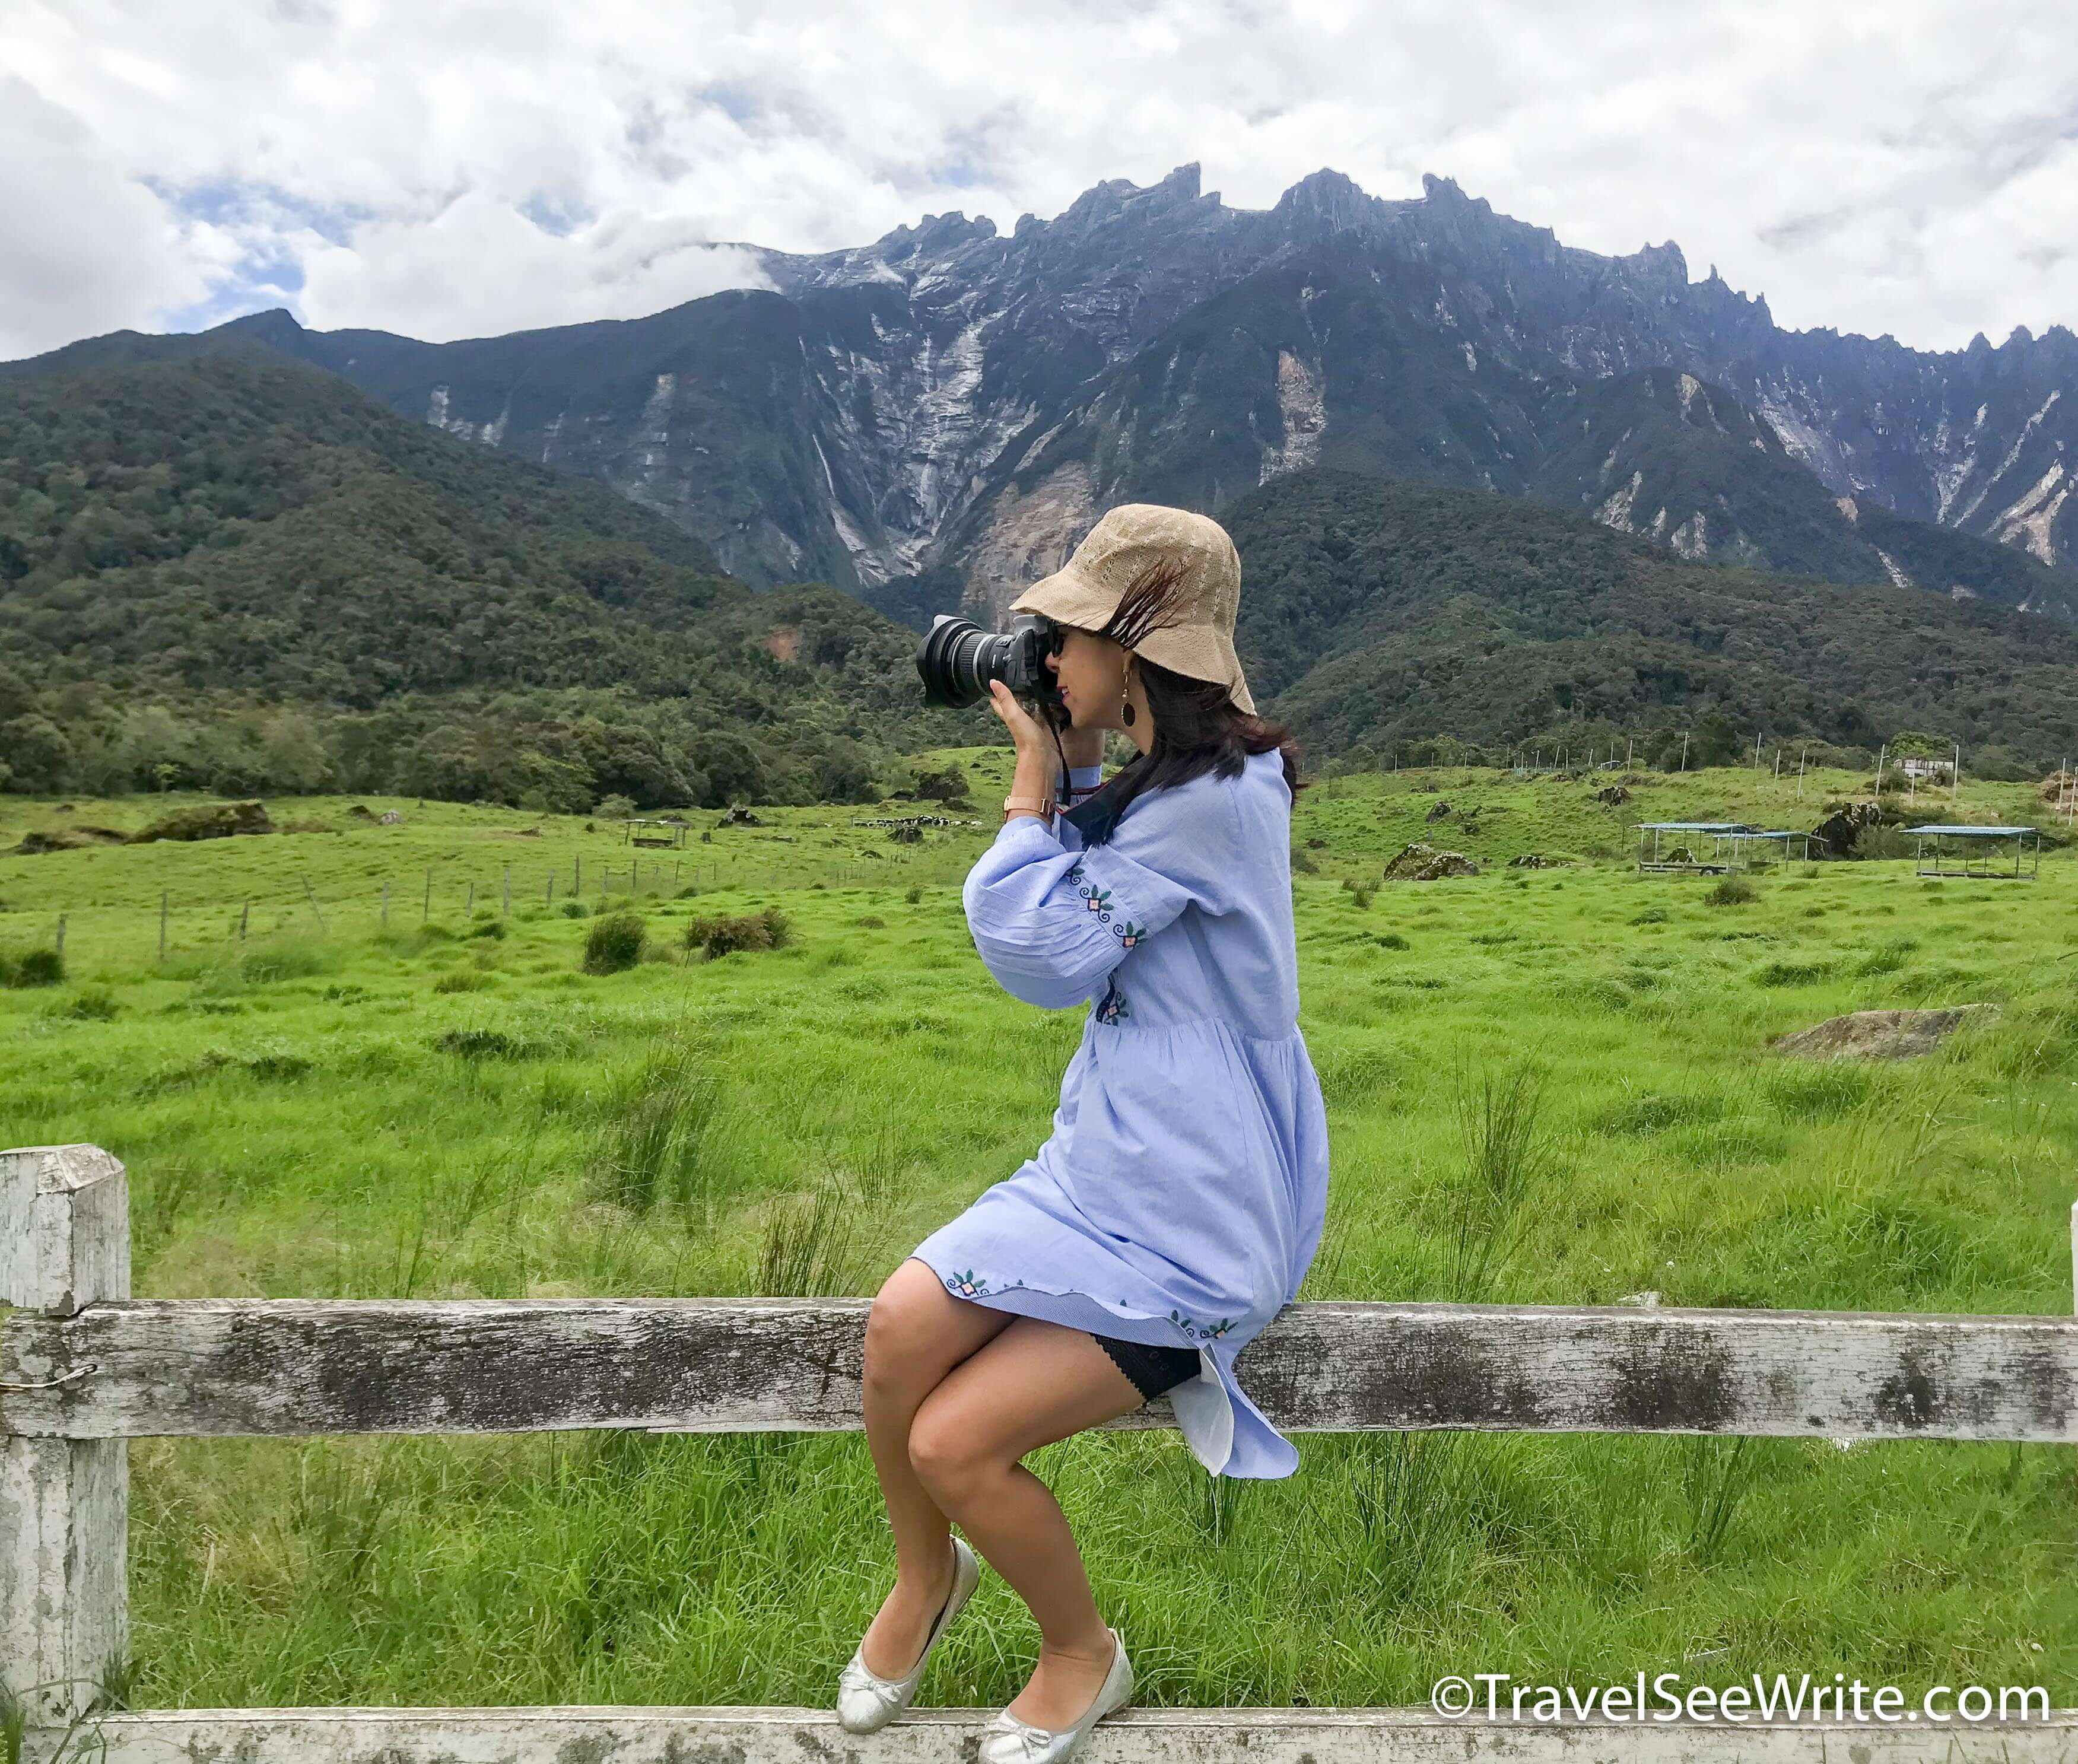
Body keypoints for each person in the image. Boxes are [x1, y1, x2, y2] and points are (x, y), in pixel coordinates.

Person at [835, 503, 1330, 1764]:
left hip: (1196, 1207)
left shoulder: (1213, 797)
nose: (1042, 659)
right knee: (897, 1323)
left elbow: (1046, 953)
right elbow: (1101, 856)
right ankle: (919, 1576)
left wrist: (1027, 785)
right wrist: (1071, 767)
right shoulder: (1174, 776)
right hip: (1107, 1161)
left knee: (954, 1438)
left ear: (1137, 649)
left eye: (1060, 636)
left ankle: (1080, 1651)